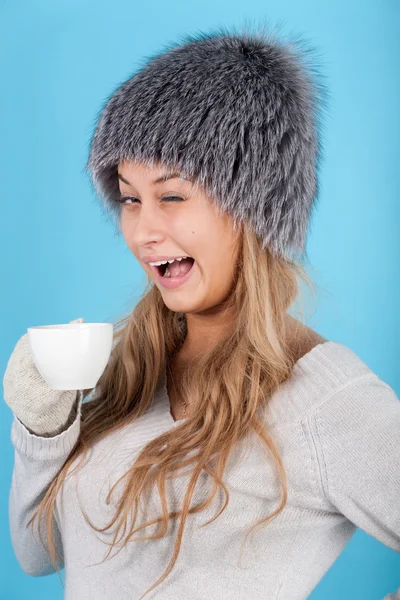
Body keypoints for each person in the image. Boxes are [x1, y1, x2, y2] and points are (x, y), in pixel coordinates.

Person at [4, 24, 400, 600]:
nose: (142, 232)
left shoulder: (327, 399)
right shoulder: (128, 367)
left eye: (171, 196)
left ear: (253, 206)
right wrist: (43, 427)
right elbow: (38, 554)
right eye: (130, 198)